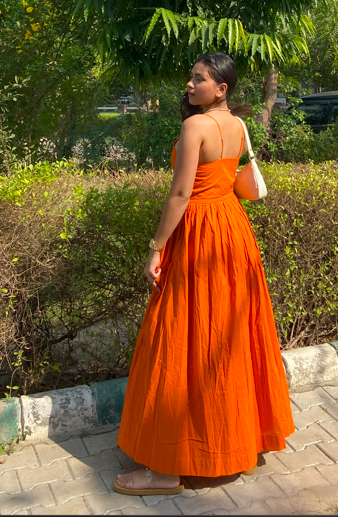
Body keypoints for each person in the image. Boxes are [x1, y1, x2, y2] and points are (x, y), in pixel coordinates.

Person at [114, 52, 294, 497]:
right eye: (191, 77)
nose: (189, 85)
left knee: (181, 338)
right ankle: (244, 447)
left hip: (198, 234)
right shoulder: (237, 124)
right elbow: (236, 181)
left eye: (198, 79)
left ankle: (167, 470)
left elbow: (180, 193)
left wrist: (155, 248)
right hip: (232, 230)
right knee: (230, 337)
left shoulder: (195, 126)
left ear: (222, 88)